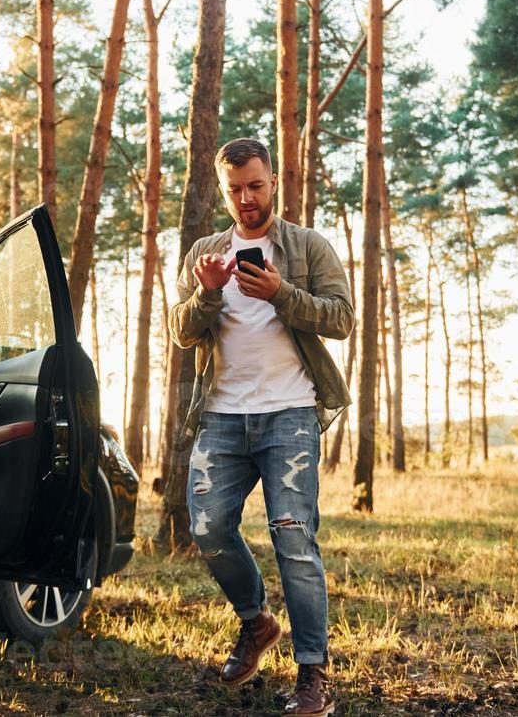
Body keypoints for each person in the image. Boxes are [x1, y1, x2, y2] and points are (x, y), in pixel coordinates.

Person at [169, 137, 353, 717]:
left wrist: (282, 294)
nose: (246, 199)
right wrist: (207, 293)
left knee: (294, 539)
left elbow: (343, 318)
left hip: (290, 414)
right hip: (221, 416)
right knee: (208, 527)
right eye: (234, 190)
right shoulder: (206, 250)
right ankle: (256, 622)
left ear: (273, 181)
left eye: (255, 185)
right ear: (223, 191)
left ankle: (312, 676)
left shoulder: (306, 246)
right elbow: (180, 330)